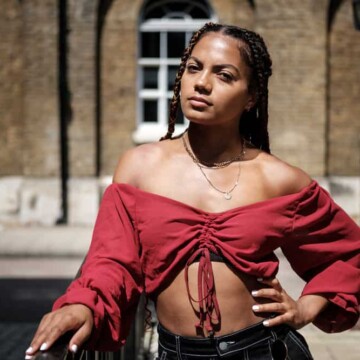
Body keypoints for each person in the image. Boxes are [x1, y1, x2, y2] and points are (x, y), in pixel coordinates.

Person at [25, 23, 360, 360]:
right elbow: (112, 260)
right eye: (193, 68)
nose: (202, 83)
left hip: (262, 349)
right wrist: (83, 304)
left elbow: (347, 255)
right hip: (175, 353)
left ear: (252, 97)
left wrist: (304, 309)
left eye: (224, 76)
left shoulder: (280, 179)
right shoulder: (139, 167)